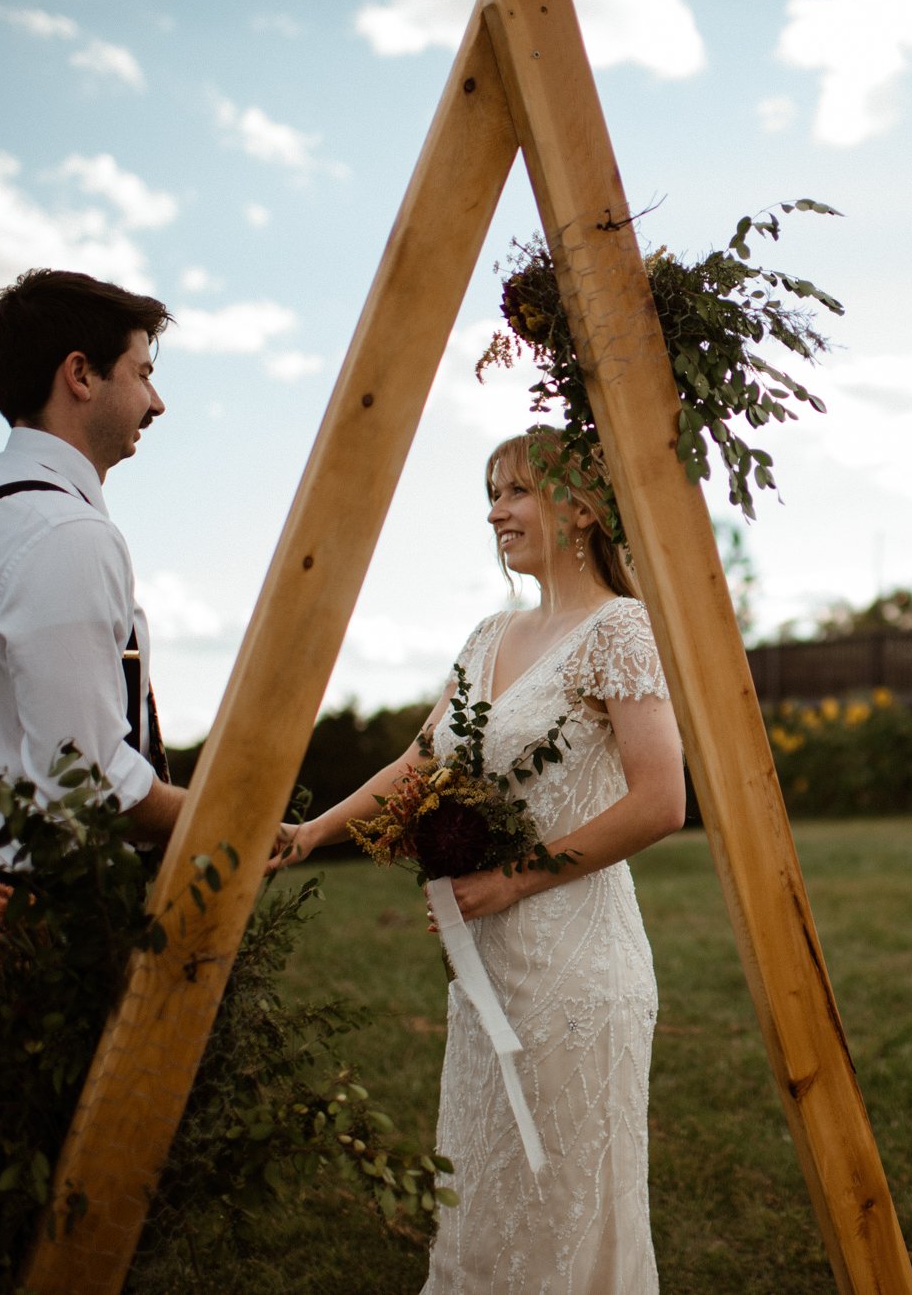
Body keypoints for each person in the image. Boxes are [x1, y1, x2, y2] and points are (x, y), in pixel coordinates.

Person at [270, 428, 685, 1293]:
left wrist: (514, 880)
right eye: (490, 496)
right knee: (487, 1192)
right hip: (487, 967)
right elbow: (420, 763)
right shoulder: (491, 634)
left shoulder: (622, 630)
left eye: (514, 491)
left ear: (580, 504)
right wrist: (311, 834)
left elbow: (660, 802)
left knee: (569, 1199)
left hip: (581, 964)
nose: (496, 512)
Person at [0, 268, 187, 933]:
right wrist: (226, 828)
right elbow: (95, 782)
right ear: (80, 375)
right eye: (141, 373)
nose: (157, 402)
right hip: (39, 920)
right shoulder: (63, 532)